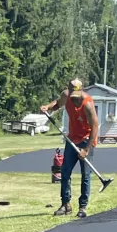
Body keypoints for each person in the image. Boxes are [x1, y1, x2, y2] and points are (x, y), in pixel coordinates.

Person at [41, 79, 100, 218]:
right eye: (73, 96)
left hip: (86, 139)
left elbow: (95, 127)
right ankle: (66, 204)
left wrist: (86, 149)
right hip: (72, 138)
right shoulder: (66, 96)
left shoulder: (88, 104)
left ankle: (83, 206)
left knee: (85, 174)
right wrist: (48, 107)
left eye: (77, 96)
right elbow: (57, 104)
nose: (75, 99)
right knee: (65, 172)